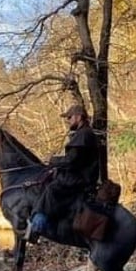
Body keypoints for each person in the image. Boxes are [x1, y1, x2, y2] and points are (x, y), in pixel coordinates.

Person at [25, 104, 100, 243]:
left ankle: (37, 226)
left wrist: (54, 161)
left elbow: (72, 160)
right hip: (80, 176)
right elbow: (75, 159)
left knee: (52, 190)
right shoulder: (84, 133)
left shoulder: (83, 134)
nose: (68, 120)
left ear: (78, 117)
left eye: (70, 117)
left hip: (81, 179)